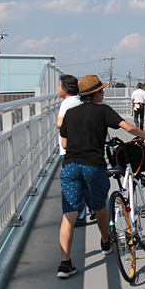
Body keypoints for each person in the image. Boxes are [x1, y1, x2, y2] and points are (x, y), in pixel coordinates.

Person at [57, 74, 145, 279]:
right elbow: (128, 127)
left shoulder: (70, 113)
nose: (103, 94)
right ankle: (105, 243)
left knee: (69, 214)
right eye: (101, 91)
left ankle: (65, 263)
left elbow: (64, 143)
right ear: (96, 94)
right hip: (93, 166)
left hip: (70, 166)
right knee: (100, 207)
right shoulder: (102, 110)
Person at [56, 74, 92, 227]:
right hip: (84, 148)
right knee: (86, 182)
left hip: (69, 150)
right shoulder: (80, 101)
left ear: (65, 89)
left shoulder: (66, 103)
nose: (57, 89)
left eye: (59, 86)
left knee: (75, 185)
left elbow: (60, 123)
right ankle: (95, 208)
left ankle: (79, 216)